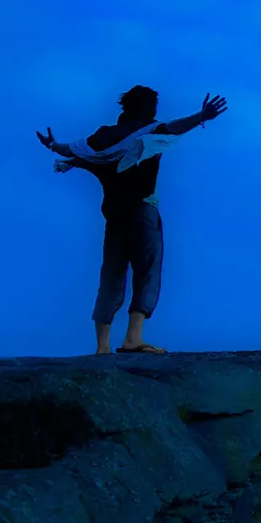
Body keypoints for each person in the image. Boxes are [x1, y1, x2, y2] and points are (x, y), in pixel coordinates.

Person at [36, 85, 228, 354]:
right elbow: (174, 127)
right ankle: (132, 338)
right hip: (142, 210)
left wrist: (52, 144)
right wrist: (201, 116)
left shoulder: (102, 137)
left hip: (114, 213)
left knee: (112, 273)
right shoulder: (151, 130)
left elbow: (72, 150)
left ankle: (102, 346)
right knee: (147, 269)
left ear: (124, 106)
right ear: (149, 107)